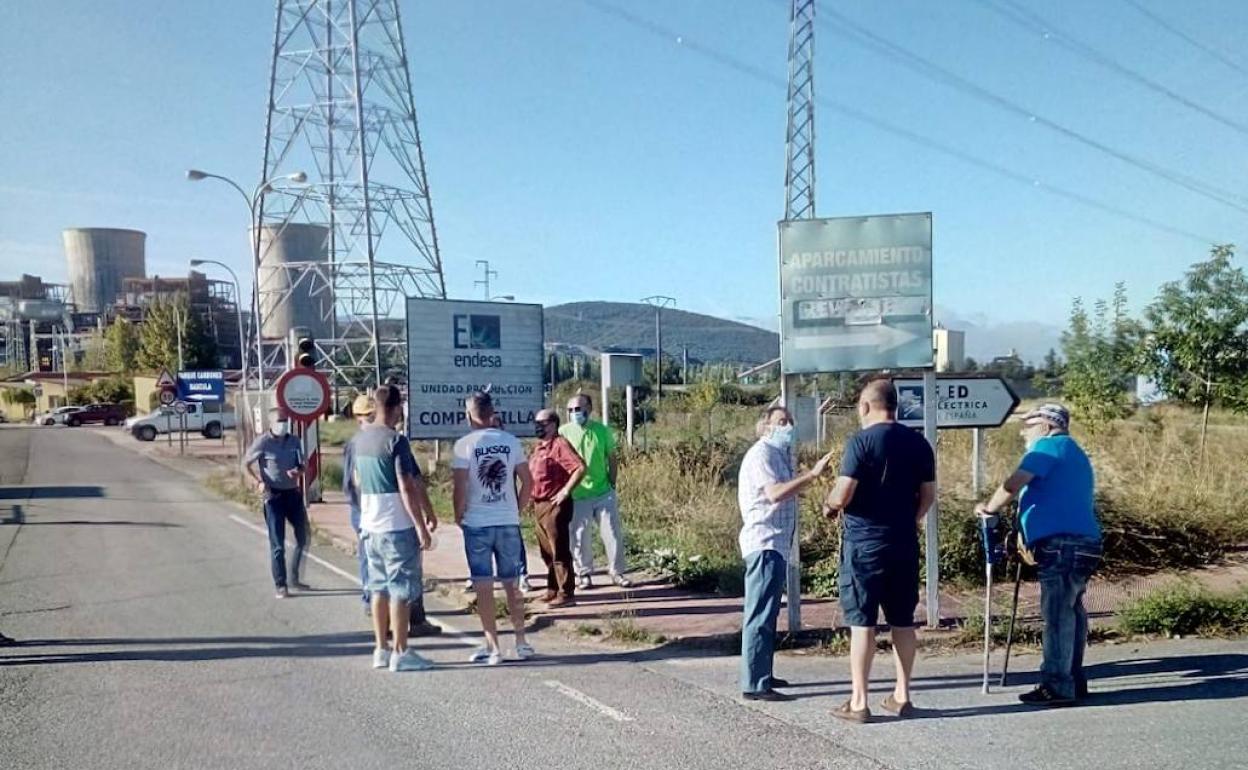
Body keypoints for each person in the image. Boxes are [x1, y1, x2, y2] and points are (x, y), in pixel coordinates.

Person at [822, 379, 936, 723]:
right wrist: (909, 520)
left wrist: (830, 505)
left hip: (864, 545)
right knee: (903, 621)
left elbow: (843, 493)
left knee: (862, 623)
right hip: (903, 543)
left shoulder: (861, 442)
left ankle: (859, 701)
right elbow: (928, 496)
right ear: (895, 406)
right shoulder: (919, 443)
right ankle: (902, 695)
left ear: (865, 406)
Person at [976, 403, 1102, 706]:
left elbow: (1013, 483)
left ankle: (1057, 684)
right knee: (1071, 610)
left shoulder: (1048, 447)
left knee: (1057, 614)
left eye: (1028, 426)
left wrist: (988, 508)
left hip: (1062, 544)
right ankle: (1072, 678)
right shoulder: (1073, 451)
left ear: (1046, 426)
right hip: (1084, 541)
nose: (1024, 433)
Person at [737, 406, 835, 702]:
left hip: (776, 543)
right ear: (765, 426)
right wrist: (812, 475)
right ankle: (755, 683)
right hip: (764, 542)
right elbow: (774, 493)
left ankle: (762, 672)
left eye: (790, 421)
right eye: (781, 422)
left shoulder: (778, 454)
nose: (788, 426)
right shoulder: (762, 454)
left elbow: (784, 491)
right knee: (760, 613)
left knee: (768, 612)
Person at [355, 384, 435, 672]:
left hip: (370, 525)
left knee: (378, 588)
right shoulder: (396, 441)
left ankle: (381, 649)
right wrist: (421, 525)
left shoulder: (359, 440)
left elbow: (356, 481)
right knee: (401, 589)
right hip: (396, 526)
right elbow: (406, 485)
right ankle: (401, 651)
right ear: (397, 408)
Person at [453, 391, 535, 664]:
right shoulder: (511, 441)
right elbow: (528, 481)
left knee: (483, 585)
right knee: (512, 583)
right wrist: (516, 509)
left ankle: (493, 647)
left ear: (469, 416)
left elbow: (460, 486)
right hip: (507, 520)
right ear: (492, 414)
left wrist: (459, 515)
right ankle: (521, 641)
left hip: (477, 522)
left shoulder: (464, 445)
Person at [560, 394, 631, 589]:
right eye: (571, 410)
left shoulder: (602, 431)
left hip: (603, 491)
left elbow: (612, 458)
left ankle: (617, 572)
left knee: (612, 533)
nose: (575, 413)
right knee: (579, 536)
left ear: (589, 409)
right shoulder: (563, 432)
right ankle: (584, 574)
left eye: (578, 409)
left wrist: (612, 483)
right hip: (578, 493)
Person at [244, 408, 310, 599]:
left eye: (286, 421)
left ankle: (294, 577)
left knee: (303, 537)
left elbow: (302, 464)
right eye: (280, 421)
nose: (284, 424)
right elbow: (245, 465)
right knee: (277, 544)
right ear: (271, 423)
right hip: (273, 496)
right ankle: (281, 584)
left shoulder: (294, 441)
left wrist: (298, 471)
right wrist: (258, 482)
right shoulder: (263, 442)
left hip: (293, 494)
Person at [528, 408, 586, 607]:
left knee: (559, 549)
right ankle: (552, 589)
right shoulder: (539, 447)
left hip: (554, 505)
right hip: (539, 504)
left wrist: (565, 491)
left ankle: (566, 592)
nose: (538, 426)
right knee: (547, 551)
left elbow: (579, 467)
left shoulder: (559, 444)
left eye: (542, 423)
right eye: (536, 422)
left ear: (553, 424)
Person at [343, 394, 376, 614]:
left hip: (376, 507)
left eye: (373, 415)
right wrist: (359, 507)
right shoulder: (354, 444)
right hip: (362, 508)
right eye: (367, 416)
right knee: (367, 555)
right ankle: (369, 598)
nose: (370, 419)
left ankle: (380, 600)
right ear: (358, 418)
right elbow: (349, 481)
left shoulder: (384, 439)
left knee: (376, 556)